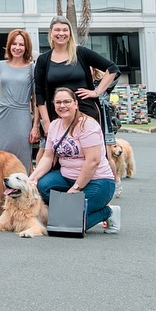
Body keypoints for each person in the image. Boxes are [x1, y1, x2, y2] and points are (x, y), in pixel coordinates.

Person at [30, 87, 119, 233]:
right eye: (58, 102)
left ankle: (107, 212)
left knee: (68, 224)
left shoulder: (87, 125)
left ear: (75, 104)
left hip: (98, 181)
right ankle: (64, 211)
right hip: (66, 177)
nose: (62, 106)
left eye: (67, 101)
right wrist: (32, 179)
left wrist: (75, 189)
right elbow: (48, 157)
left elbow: (93, 161)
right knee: (41, 187)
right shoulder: (54, 126)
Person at [34, 15, 119, 159]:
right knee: (60, 156)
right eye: (57, 30)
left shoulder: (81, 53)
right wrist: (47, 123)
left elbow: (112, 68)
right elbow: (40, 94)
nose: (61, 33)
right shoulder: (43, 60)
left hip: (85, 110)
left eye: (65, 30)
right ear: (51, 33)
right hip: (58, 112)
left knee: (91, 154)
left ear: (70, 33)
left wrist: (96, 92)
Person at [0, 29, 35, 171]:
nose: (17, 48)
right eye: (14, 44)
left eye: (21, 44)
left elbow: (35, 99)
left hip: (21, 118)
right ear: (9, 45)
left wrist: (36, 125)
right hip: (0, 118)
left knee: (22, 159)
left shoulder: (32, 68)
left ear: (26, 47)